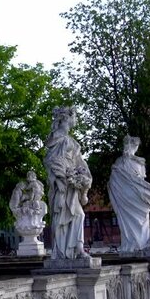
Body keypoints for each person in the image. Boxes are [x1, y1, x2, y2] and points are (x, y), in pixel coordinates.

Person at [44, 107, 92, 259]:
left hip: (72, 184)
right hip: (62, 185)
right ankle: (63, 250)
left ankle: (77, 248)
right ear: (67, 118)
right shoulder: (56, 138)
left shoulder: (71, 141)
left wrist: (83, 177)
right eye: (75, 116)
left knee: (78, 214)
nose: (76, 120)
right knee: (65, 216)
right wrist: (62, 177)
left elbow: (79, 163)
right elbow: (51, 161)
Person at [108, 135, 150, 252]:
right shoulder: (135, 162)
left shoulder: (122, 162)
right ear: (134, 146)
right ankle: (135, 245)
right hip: (131, 195)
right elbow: (141, 181)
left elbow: (112, 181)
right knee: (136, 218)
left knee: (132, 219)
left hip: (130, 196)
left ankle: (133, 244)